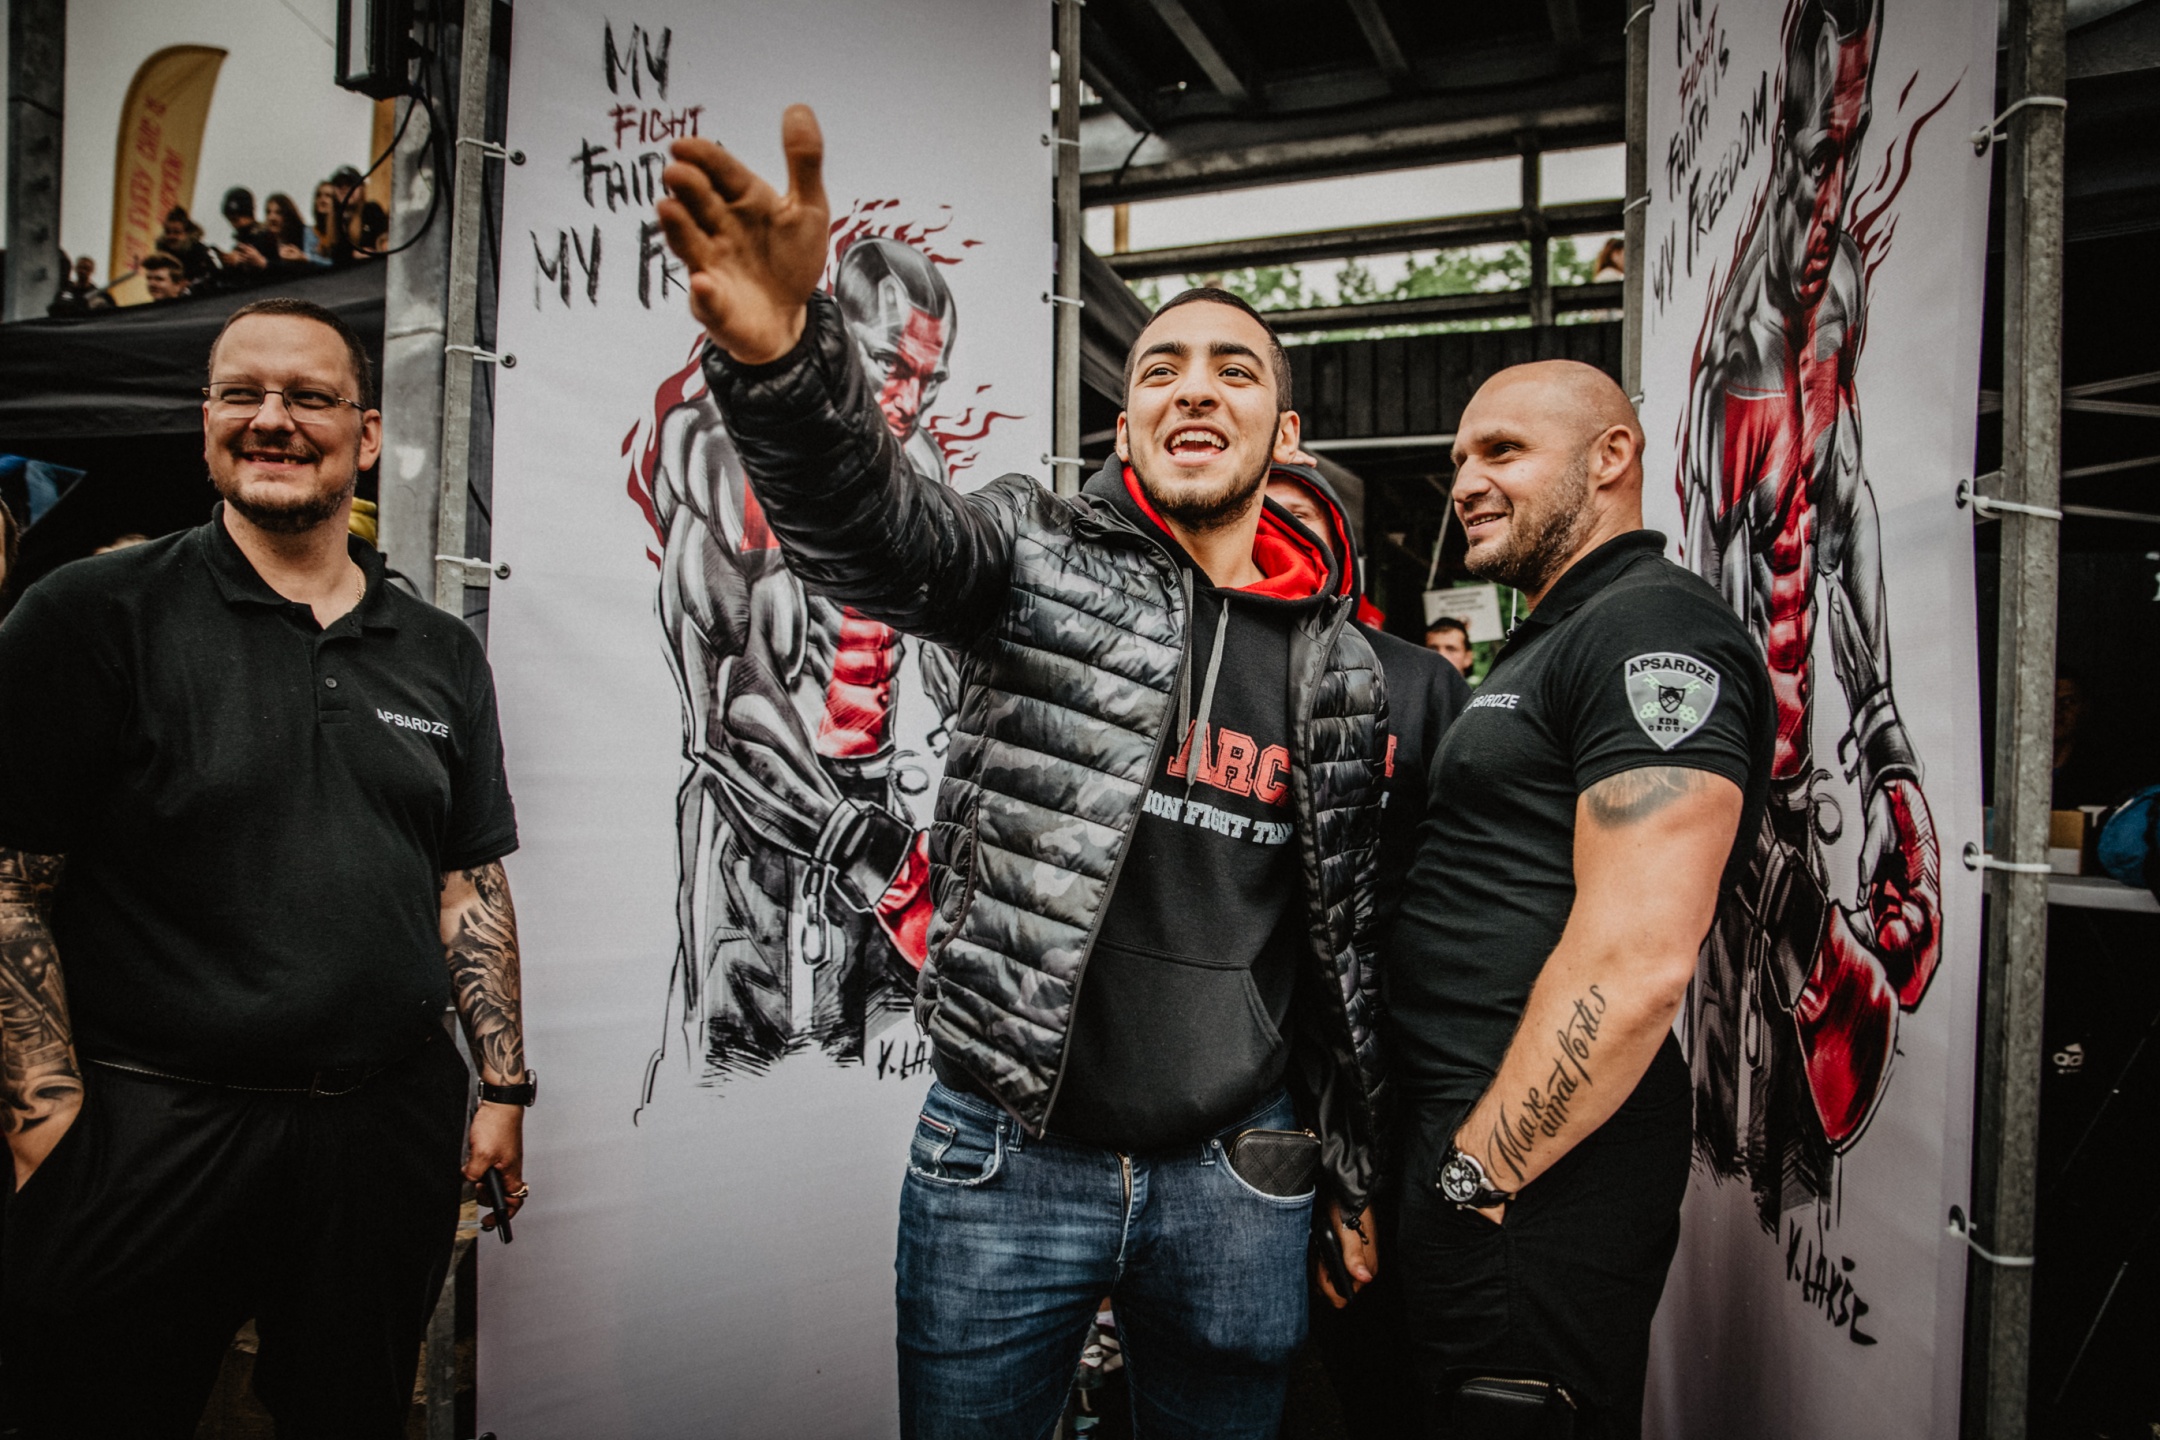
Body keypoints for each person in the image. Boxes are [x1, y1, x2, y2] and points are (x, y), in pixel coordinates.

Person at [657, 108, 1390, 1439]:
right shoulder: (1029, 550)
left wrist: (1342, 1165)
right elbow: (875, 534)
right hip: (1008, 1161)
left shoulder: (1340, 666)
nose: (1194, 389)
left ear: (1285, 432)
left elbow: (1344, 946)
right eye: (1162, 369)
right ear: (1127, 419)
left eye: (1234, 369)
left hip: (1238, 1176)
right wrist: (785, 366)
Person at [0, 296, 533, 1437]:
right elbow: (9, 882)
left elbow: (468, 883)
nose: (272, 419)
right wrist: (46, 1123)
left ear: (367, 434)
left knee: (350, 1415)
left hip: (380, 1133)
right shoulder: (90, 615)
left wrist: (501, 1087)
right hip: (150, 1124)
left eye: (308, 397)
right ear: (205, 422)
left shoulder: (438, 651)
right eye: (240, 394)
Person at [1385, 360, 1773, 1437]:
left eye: (1502, 451)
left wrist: (1479, 1175)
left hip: (1533, 1179)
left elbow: (1639, 961)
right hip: (1478, 1152)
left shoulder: (1652, 628)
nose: (1466, 480)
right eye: (1461, 457)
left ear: (1611, 457)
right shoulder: (1561, 629)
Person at [1677, 0, 1944, 1230]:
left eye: (1854, 113)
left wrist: (1888, 747)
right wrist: (1755, 852)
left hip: (1787, 804)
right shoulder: (1740, 356)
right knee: (1738, 1145)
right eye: (1821, 127)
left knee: (1799, 1153)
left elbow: (1848, 522)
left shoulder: (1836, 307)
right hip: (1735, 812)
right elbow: (1723, 595)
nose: (1837, 156)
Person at [645, 234, 963, 1078]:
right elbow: (731, 709)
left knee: (864, 1082)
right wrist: (867, 851)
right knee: (740, 1079)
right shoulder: (730, 457)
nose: (909, 400)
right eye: (889, 365)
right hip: (761, 832)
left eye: (928, 381)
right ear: (832, 339)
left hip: (879, 821)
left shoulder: (917, 468)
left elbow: (945, 657)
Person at [1266, 462, 1464, 1436]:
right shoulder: (1198, 677)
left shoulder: (1420, 681)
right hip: (1242, 1081)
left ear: (1343, 540)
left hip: (1381, 1077)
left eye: (1305, 518)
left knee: (1376, 1366)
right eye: (1264, 516)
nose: (1282, 537)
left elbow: (1454, 893)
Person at [155, 206, 222, 288]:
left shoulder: (200, 254)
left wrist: (190, 284)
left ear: (187, 233)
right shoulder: (161, 255)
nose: (171, 236)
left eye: (177, 232)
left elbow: (213, 278)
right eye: (168, 232)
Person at [262, 192, 316, 267]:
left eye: (278, 213)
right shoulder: (263, 240)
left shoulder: (305, 235)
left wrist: (302, 257)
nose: (272, 217)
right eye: (268, 212)